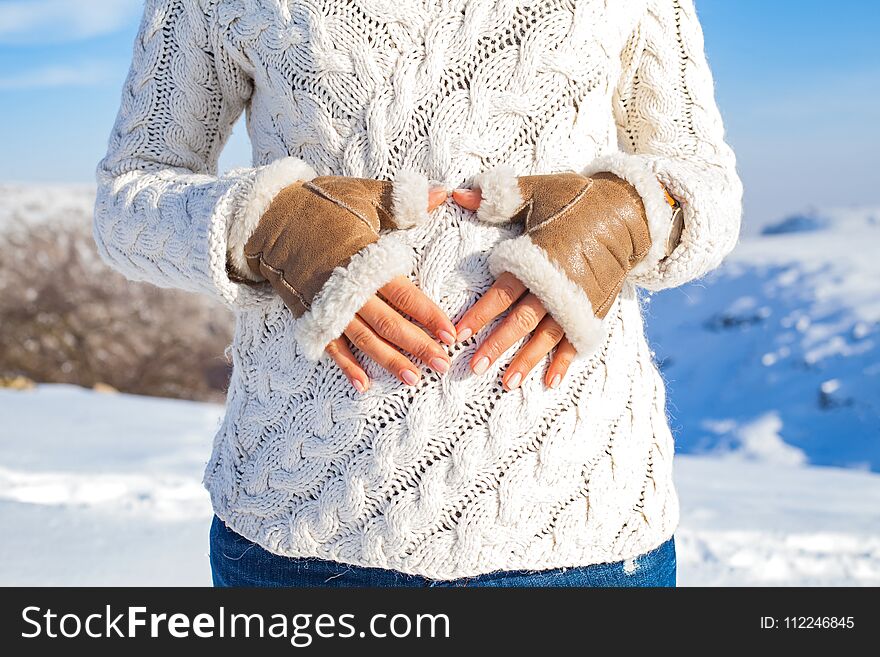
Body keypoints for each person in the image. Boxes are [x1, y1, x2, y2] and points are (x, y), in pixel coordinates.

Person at [94, 0, 742, 587]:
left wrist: (628, 216)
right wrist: (265, 225)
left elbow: (707, 186)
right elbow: (128, 200)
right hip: (300, 527)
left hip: (581, 524)